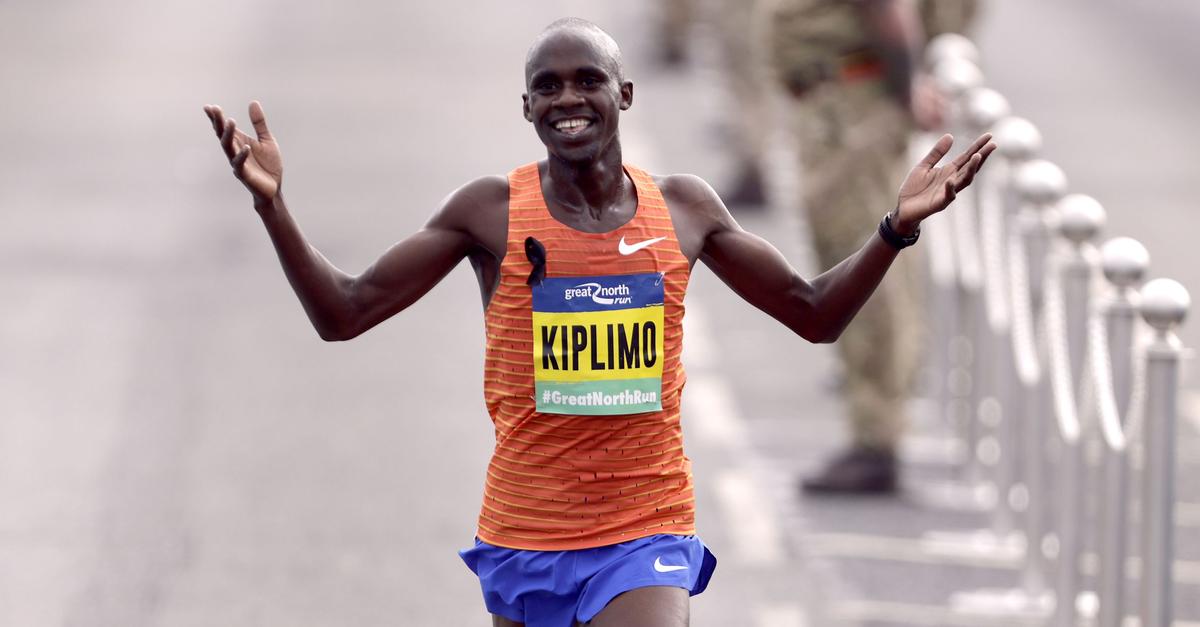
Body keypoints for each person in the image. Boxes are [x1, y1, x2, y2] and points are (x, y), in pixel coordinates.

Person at [203, 17, 992, 627]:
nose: (568, 100)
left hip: (645, 526)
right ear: (526, 106)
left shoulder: (682, 209)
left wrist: (894, 228)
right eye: (548, 87)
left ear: (625, 95)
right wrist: (272, 206)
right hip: (527, 530)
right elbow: (344, 312)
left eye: (588, 81)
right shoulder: (488, 212)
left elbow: (814, 314)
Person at [768, 0, 946, 494]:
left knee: (862, 269)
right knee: (861, 261)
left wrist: (908, 84)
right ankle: (879, 418)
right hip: (842, 96)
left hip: (849, 102)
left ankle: (876, 439)